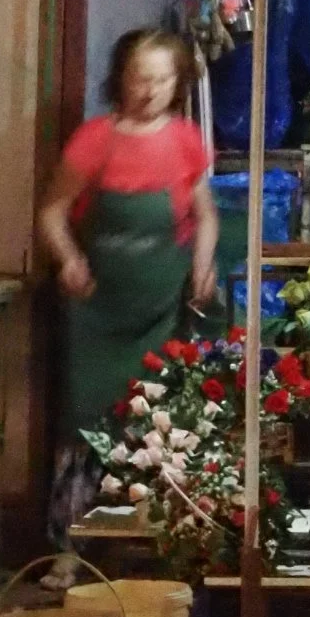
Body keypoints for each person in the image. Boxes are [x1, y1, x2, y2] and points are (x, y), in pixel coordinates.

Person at [38, 29, 217, 568]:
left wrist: (203, 264)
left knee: (160, 425)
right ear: (120, 78)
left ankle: (158, 551)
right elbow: (52, 213)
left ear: (178, 84)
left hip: (162, 308)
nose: (150, 90)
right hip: (97, 312)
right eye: (140, 78)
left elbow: (205, 215)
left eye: (162, 80)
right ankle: (70, 550)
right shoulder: (95, 139)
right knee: (86, 425)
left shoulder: (186, 139)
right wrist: (69, 259)